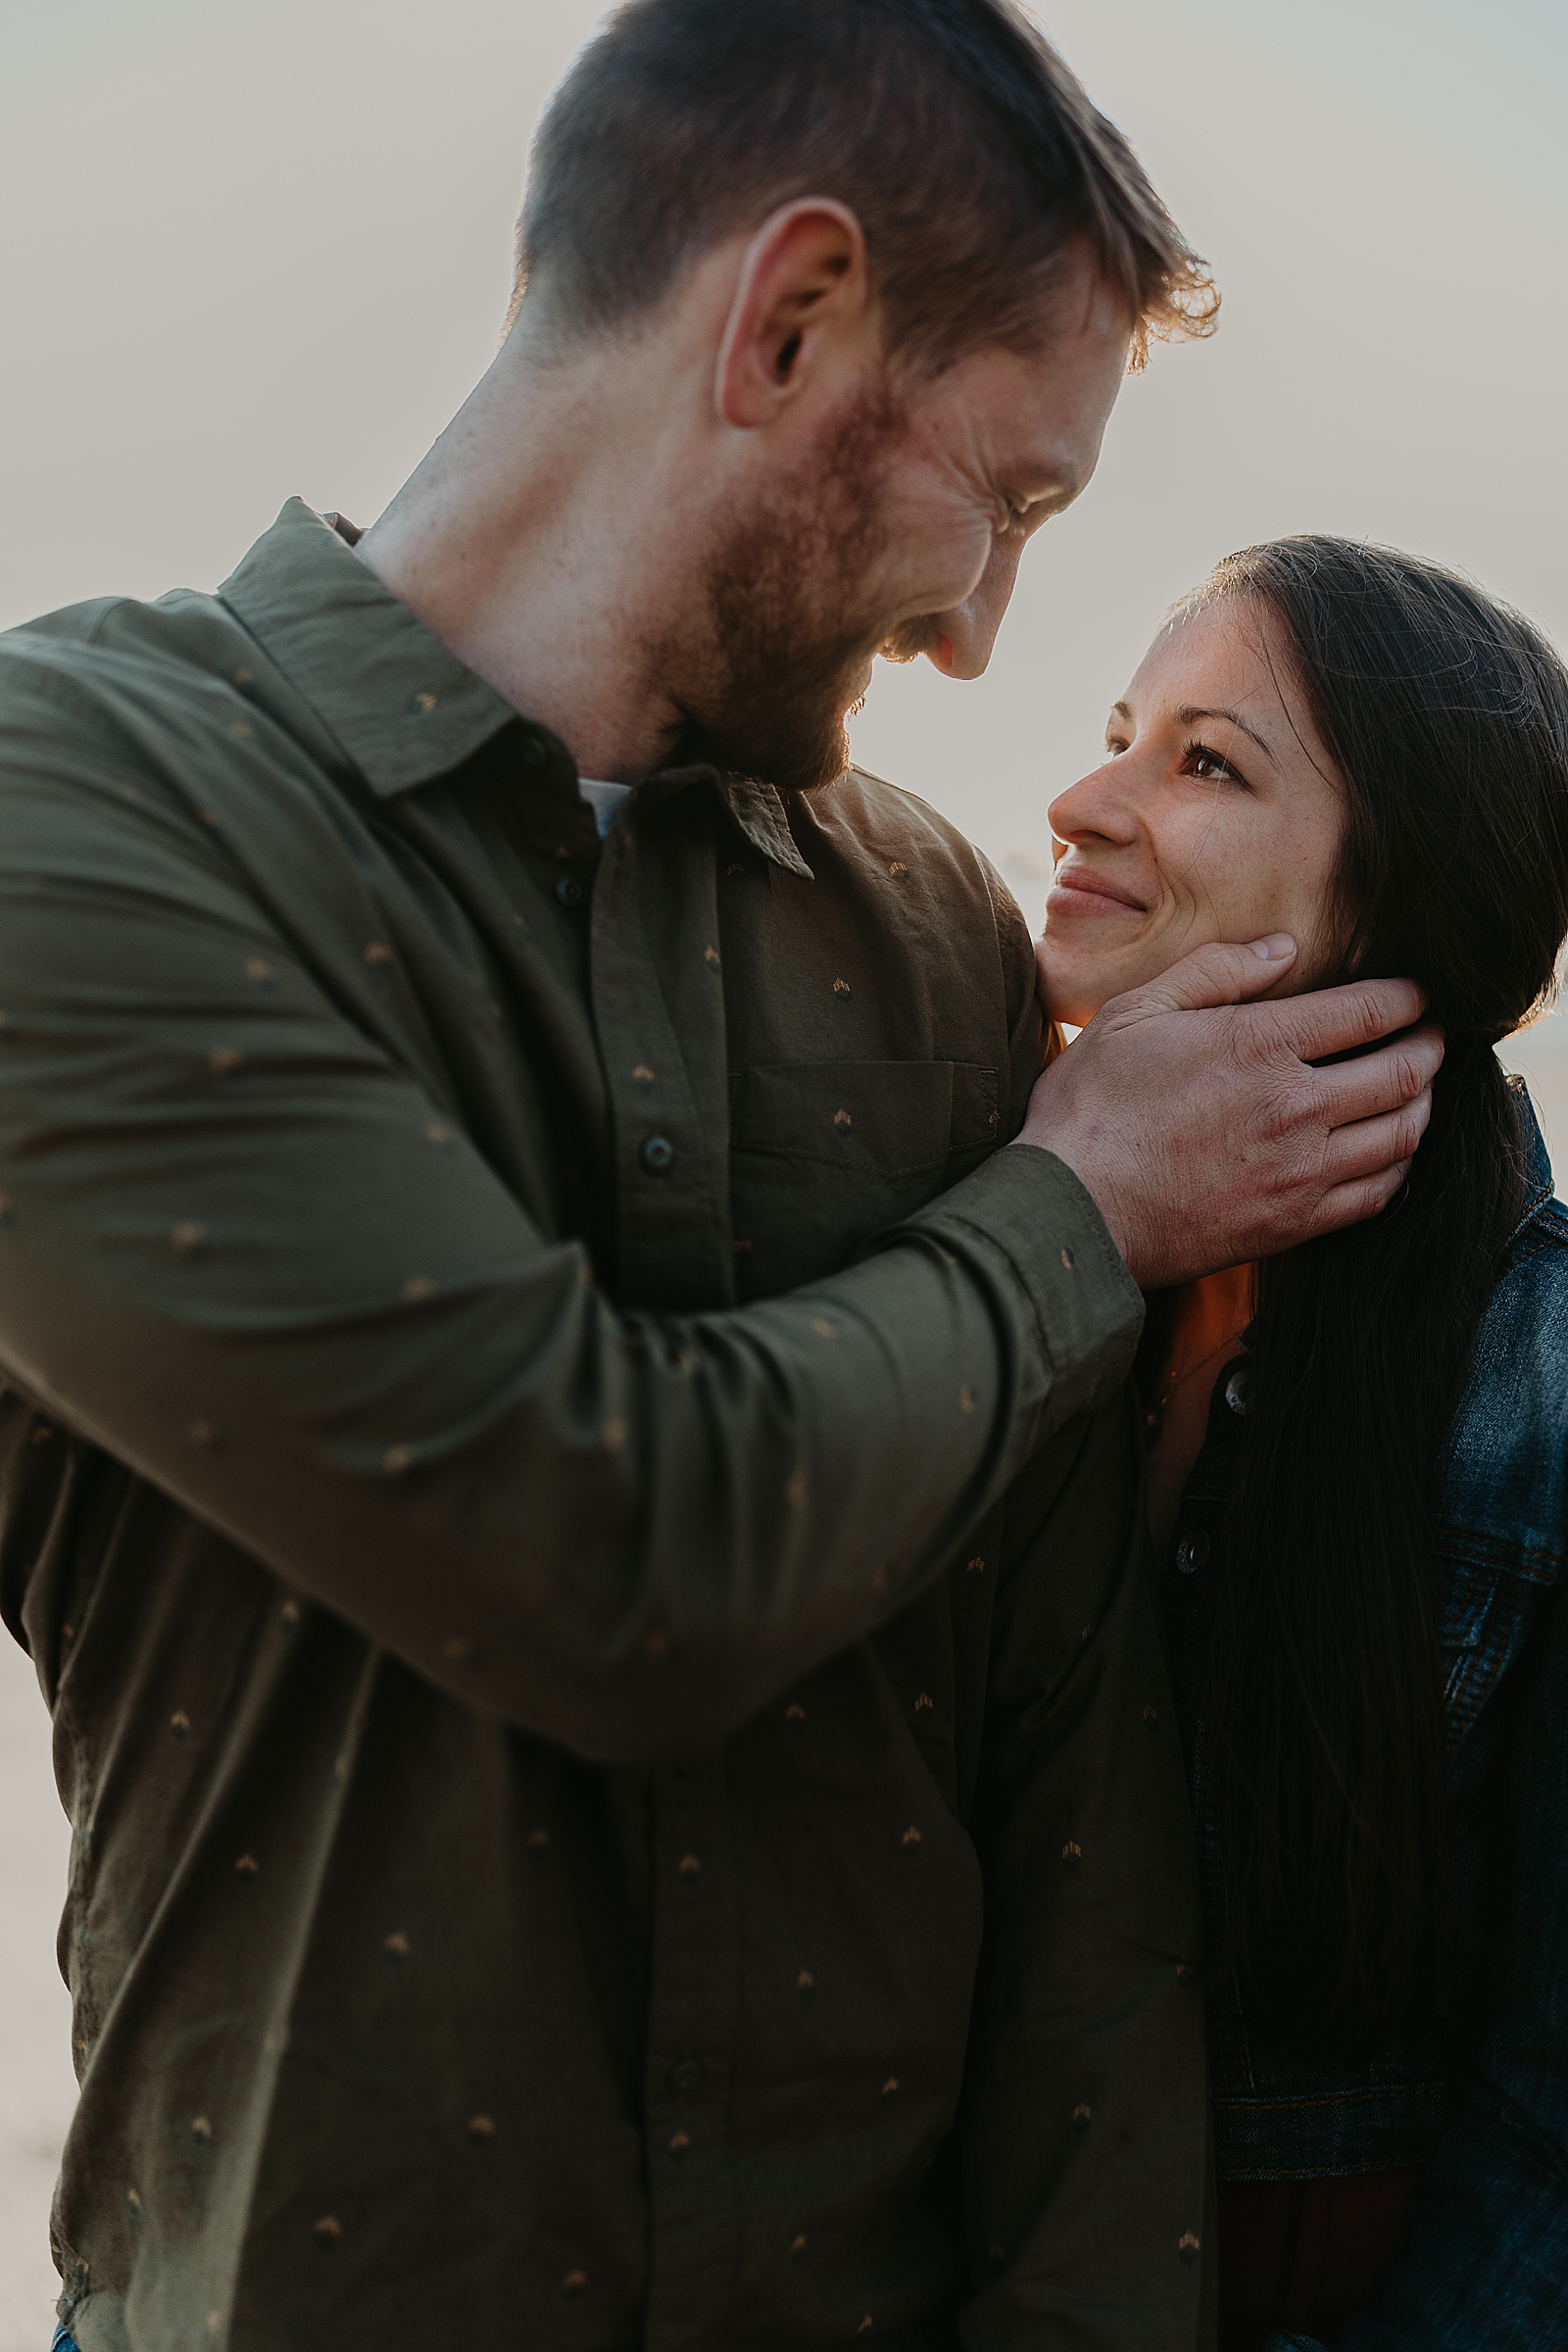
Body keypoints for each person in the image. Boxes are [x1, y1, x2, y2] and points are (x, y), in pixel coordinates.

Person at [0, 6, 1439, 2346]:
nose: (983, 631)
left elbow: (1073, 1826)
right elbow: (595, 1550)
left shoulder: (934, 938)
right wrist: (1074, 1210)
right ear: (784, 323)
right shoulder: (74, 808)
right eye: (1010, 496)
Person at [1036, 534, 1568, 2352]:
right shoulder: (978, 1231)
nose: (1080, 799)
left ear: (1394, 895)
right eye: (1123, 732)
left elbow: (1552, 2118)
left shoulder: (1541, 1378)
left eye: (1205, 763)